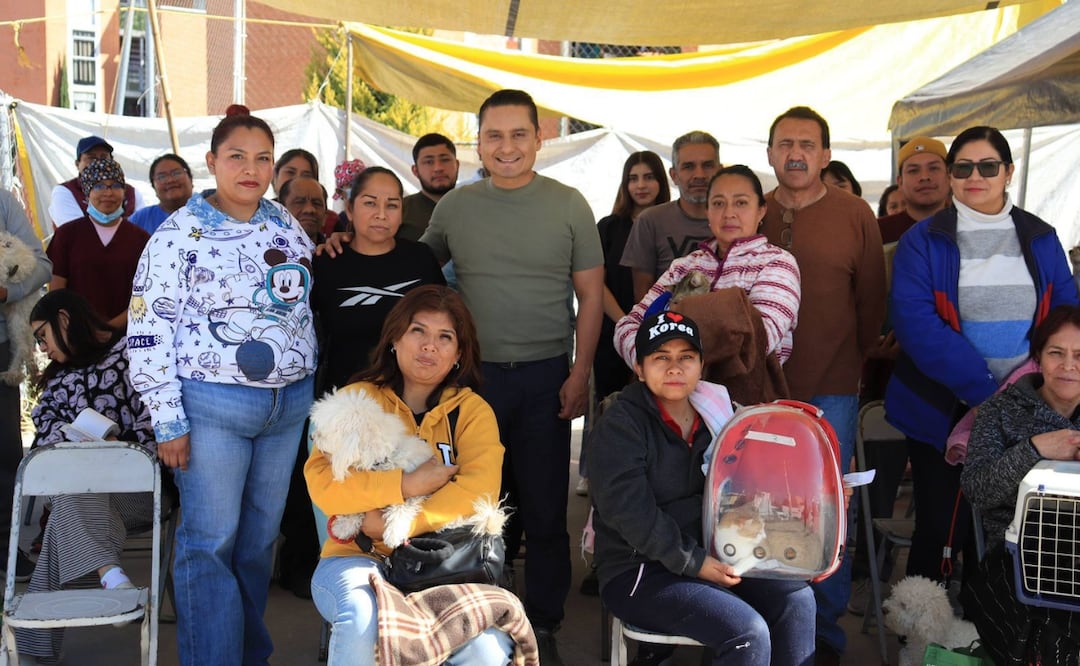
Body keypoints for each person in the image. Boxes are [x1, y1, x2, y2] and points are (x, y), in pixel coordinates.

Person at [126, 104, 317, 665]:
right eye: (237, 157)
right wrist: (168, 419)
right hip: (213, 406)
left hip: (287, 407)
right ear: (211, 162)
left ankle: (247, 655)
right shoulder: (177, 234)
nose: (250, 169)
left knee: (257, 545)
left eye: (262, 158)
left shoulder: (283, 221)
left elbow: (299, 296)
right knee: (210, 544)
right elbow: (148, 328)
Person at [420, 89, 604, 665]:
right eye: (494, 136)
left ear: (538, 139)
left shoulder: (569, 204)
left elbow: (592, 296)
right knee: (476, 509)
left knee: (546, 510)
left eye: (518, 134)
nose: (507, 147)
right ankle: (480, 620)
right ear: (478, 143)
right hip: (472, 384)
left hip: (547, 377)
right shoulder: (454, 208)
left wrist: (579, 373)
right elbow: (412, 273)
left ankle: (542, 624)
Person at [885, 125, 1078, 589]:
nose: (976, 177)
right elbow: (915, 323)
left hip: (1029, 408)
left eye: (988, 166)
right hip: (940, 406)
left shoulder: (1041, 237)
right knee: (939, 528)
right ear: (951, 176)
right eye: (963, 167)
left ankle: (989, 623)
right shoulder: (922, 240)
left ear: (1008, 172)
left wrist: (1022, 391)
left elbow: (1064, 316)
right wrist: (987, 393)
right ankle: (921, 628)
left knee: (1010, 528)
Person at [591, 310, 816, 665]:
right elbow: (632, 515)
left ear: (701, 366)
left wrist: (819, 491)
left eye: (686, 357)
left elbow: (762, 479)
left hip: (716, 553)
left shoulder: (719, 416)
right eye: (660, 358)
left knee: (796, 602)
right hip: (639, 569)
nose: (674, 368)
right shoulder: (621, 425)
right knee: (747, 632)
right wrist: (695, 563)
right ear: (639, 368)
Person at [305, 285, 513, 664]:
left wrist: (396, 524)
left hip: (445, 563)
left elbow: (478, 491)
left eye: (445, 337)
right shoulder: (357, 399)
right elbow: (325, 484)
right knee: (362, 617)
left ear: (459, 354)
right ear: (395, 339)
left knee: (488, 648)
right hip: (358, 557)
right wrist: (404, 485)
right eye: (418, 331)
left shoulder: (472, 412)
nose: (429, 346)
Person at [759, 105, 886, 663]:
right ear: (770, 153)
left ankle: (824, 637)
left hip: (833, 384)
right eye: (785, 144)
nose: (796, 154)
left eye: (807, 145)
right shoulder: (752, 209)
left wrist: (854, 363)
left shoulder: (855, 213)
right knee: (759, 503)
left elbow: (872, 301)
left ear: (826, 155)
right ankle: (764, 626)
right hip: (760, 391)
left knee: (829, 509)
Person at [15, 289, 155, 662]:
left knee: (68, 502)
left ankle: (34, 647)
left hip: (136, 491)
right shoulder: (56, 381)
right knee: (73, 487)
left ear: (63, 319)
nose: (42, 348)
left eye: (42, 336)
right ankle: (111, 576)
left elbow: (158, 424)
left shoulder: (133, 356)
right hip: (80, 493)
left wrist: (119, 445)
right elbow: (44, 439)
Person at [615, 165, 801, 406]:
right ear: (707, 211)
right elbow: (628, 326)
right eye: (718, 203)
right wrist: (650, 366)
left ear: (761, 210)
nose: (729, 213)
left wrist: (668, 355)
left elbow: (758, 340)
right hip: (671, 405)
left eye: (741, 203)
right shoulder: (683, 266)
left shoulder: (777, 263)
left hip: (745, 409)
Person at [961, 305, 1080, 664]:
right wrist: (1034, 449)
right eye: (1056, 353)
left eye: (1079, 355)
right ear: (1038, 357)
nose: (1069, 366)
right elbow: (977, 490)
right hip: (1017, 559)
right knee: (1051, 631)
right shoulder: (1000, 412)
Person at [313, 166, 445, 392]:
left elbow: (444, 322)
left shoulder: (420, 258)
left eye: (392, 205)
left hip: (411, 396)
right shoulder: (327, 262)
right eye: (370, 203)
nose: (381, 214)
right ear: (350, 210)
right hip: (346, 398)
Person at [0, 189, 51, 584]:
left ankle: (6, 548)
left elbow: (42, 264)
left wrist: (8, 291)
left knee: (3, 453)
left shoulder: (3, 202)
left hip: (2, 349)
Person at [46, 157, 150, 330]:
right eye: (99, 186)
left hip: (128, 334)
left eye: (115, 186)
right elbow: (56, 292)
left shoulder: (141, 239)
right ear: (87, 192)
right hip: (76, 333)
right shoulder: (67, 235)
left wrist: (110, 330)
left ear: (124, 191)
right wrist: (74, 328)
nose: (108, 193)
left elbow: (146, 294)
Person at [620, 131, 721, 301]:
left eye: (707, 165)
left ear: (720, 171)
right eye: (688, 167)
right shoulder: (650, 221)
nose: (699, 175)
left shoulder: (739, 220)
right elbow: (643, 296)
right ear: (674, 175)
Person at [47, 135, 144, 230]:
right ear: (77, 164)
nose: (98, 162)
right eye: (91, 158)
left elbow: (143, 228)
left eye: (103, 157)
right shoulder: (65, 192)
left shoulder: (132, 193)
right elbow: (76, 232)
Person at [879, 136, 950, 245]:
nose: (924, 177)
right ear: (900, 182)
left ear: (949, 177)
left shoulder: (970, 227)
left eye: (933, 168)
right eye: (913, 171)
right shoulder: (878, 232)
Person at [400, 133, 460, 242]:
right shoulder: (400, 211)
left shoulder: (475, 206)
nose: (438, 168)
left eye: (445, 160)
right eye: (429, 162)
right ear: (415, 171)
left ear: (457, 165)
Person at [129, 153, 195, 234]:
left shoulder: (207, 210)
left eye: (176, 173)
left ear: (191, 179)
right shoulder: (140, 219)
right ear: (153, 186)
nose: (170, 180)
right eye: (162, 177)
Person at [280, 175, 329, 243]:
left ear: (325, 216)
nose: (309, 210)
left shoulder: (336, 248)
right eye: (299, 202)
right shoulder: (264, 247)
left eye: (317, 203)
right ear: (280, 211)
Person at [331, 158, 367, 233]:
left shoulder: (371, 214)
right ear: (341, 192)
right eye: (351, 185)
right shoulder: (341, 220)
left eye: (359, 185)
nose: (356, 189)